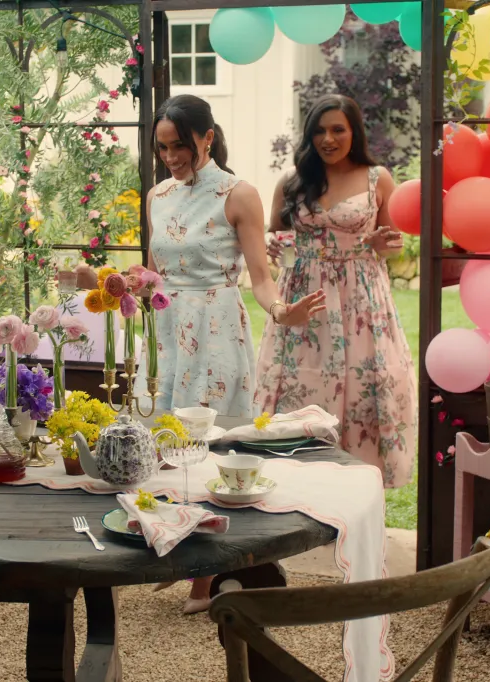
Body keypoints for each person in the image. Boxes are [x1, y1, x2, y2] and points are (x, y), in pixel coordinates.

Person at [73, 94, 326, 613]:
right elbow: (150, 277)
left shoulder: (239, 194)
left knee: (210, 447)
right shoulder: (156, 195)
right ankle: (181, 547)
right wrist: (103, 281)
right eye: (162, 148)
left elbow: (259, 276)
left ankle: (209, 573)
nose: (171, 157)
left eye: (179, 145)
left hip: (216, 328)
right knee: (163, 445)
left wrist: (280, 312)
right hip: (165, 327)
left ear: (207, 137)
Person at [256, 94, 417, 489]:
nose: (328, 139)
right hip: (304, 298)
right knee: (301, 387)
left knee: (363, 387)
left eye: (337, 130)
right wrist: (275, 246)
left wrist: (383, 246)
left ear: (353, 132)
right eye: (319, 131)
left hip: (362, 301)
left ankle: (357, 489)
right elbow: (274, 238)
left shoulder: (378, 178)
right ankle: (299, 486)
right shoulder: (292, 182)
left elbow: (390, 241)